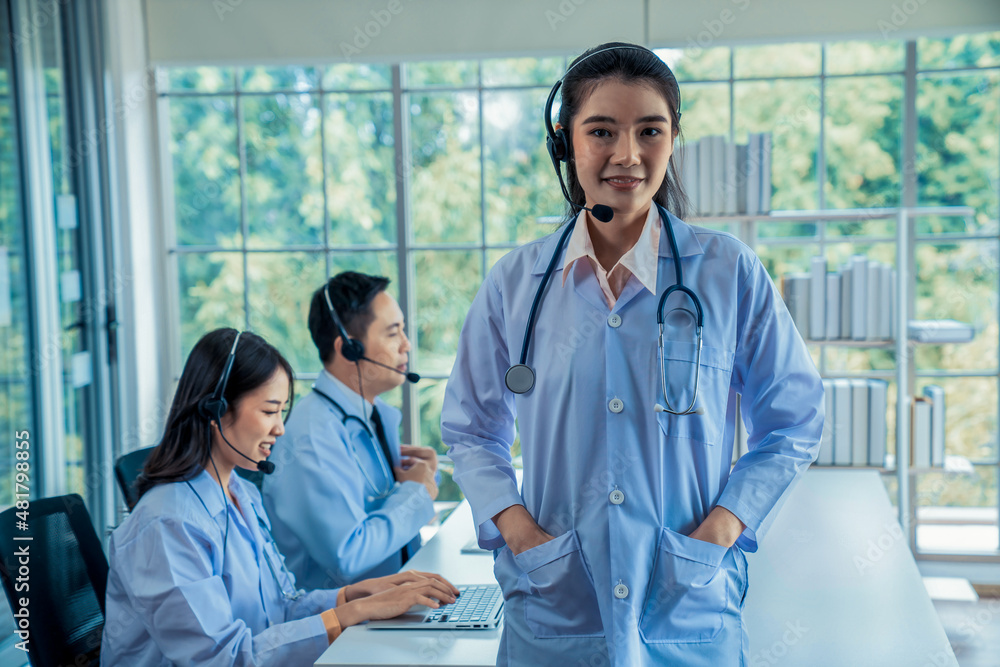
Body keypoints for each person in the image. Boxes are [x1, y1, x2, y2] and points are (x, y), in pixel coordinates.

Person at [441, 43, 823, 666]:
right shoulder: (516, 284)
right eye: (601, 131)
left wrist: (725, 525)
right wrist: (518, 530)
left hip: (686, 607)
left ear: (673, 139)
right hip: (557, 604)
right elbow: (471, 429)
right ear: (565, 143)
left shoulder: (727, 273)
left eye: (650, 130)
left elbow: (793, 420)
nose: (627, 154)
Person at [101, 328, 458, 666]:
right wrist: (351, 615)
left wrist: (359, 596)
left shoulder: (241, 494)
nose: (280, 428)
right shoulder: (167, 523)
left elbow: (281, 608)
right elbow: (220, 659)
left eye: (282, 412)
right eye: (270, 411)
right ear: (215, 409)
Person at [262, 272, 438, 591]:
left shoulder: (370, 415)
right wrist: (416, 494)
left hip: (390, 608)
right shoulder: (311, 438)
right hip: (340, 633)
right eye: (393, 333)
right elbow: (348, 557)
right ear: (350, 349)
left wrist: (419, 482)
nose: (406, 345)